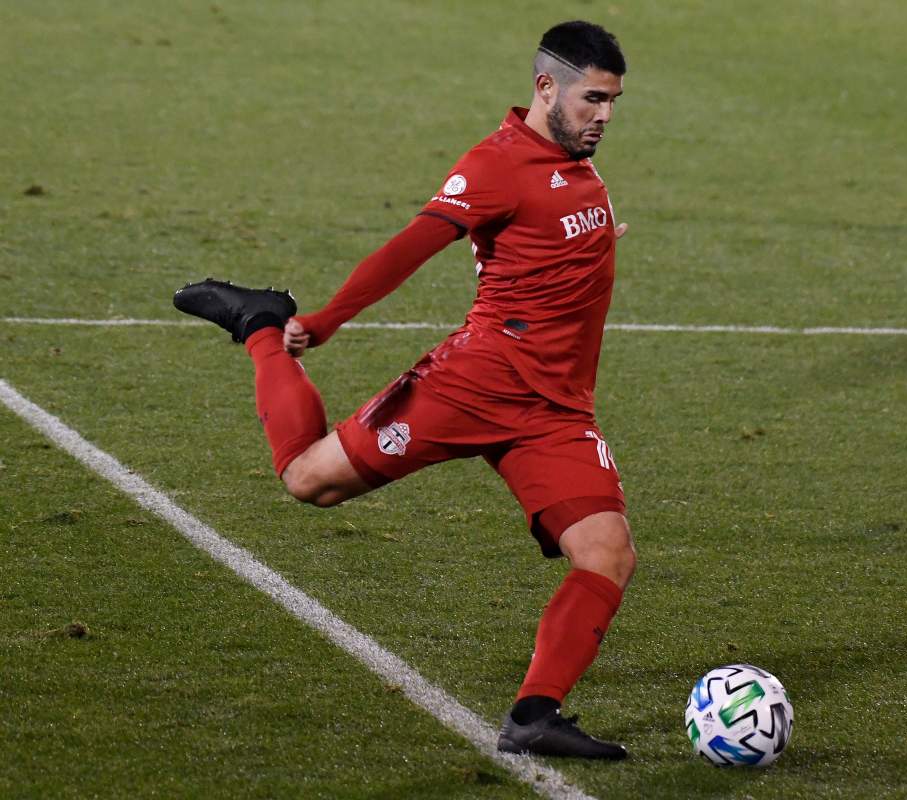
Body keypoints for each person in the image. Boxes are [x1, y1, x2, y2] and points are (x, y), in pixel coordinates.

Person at [173, 21, 634, 760]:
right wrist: (322, 322)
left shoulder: (577, 166)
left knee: (607, 553)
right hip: (476, 382)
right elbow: (406, 250)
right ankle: (260, 324)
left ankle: (534, 716)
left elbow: (557, 243)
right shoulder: (496, 163)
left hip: (554, 409)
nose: (605, 116)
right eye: (593, 100)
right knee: (309, 480)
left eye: (613, 102)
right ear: (546, 87)